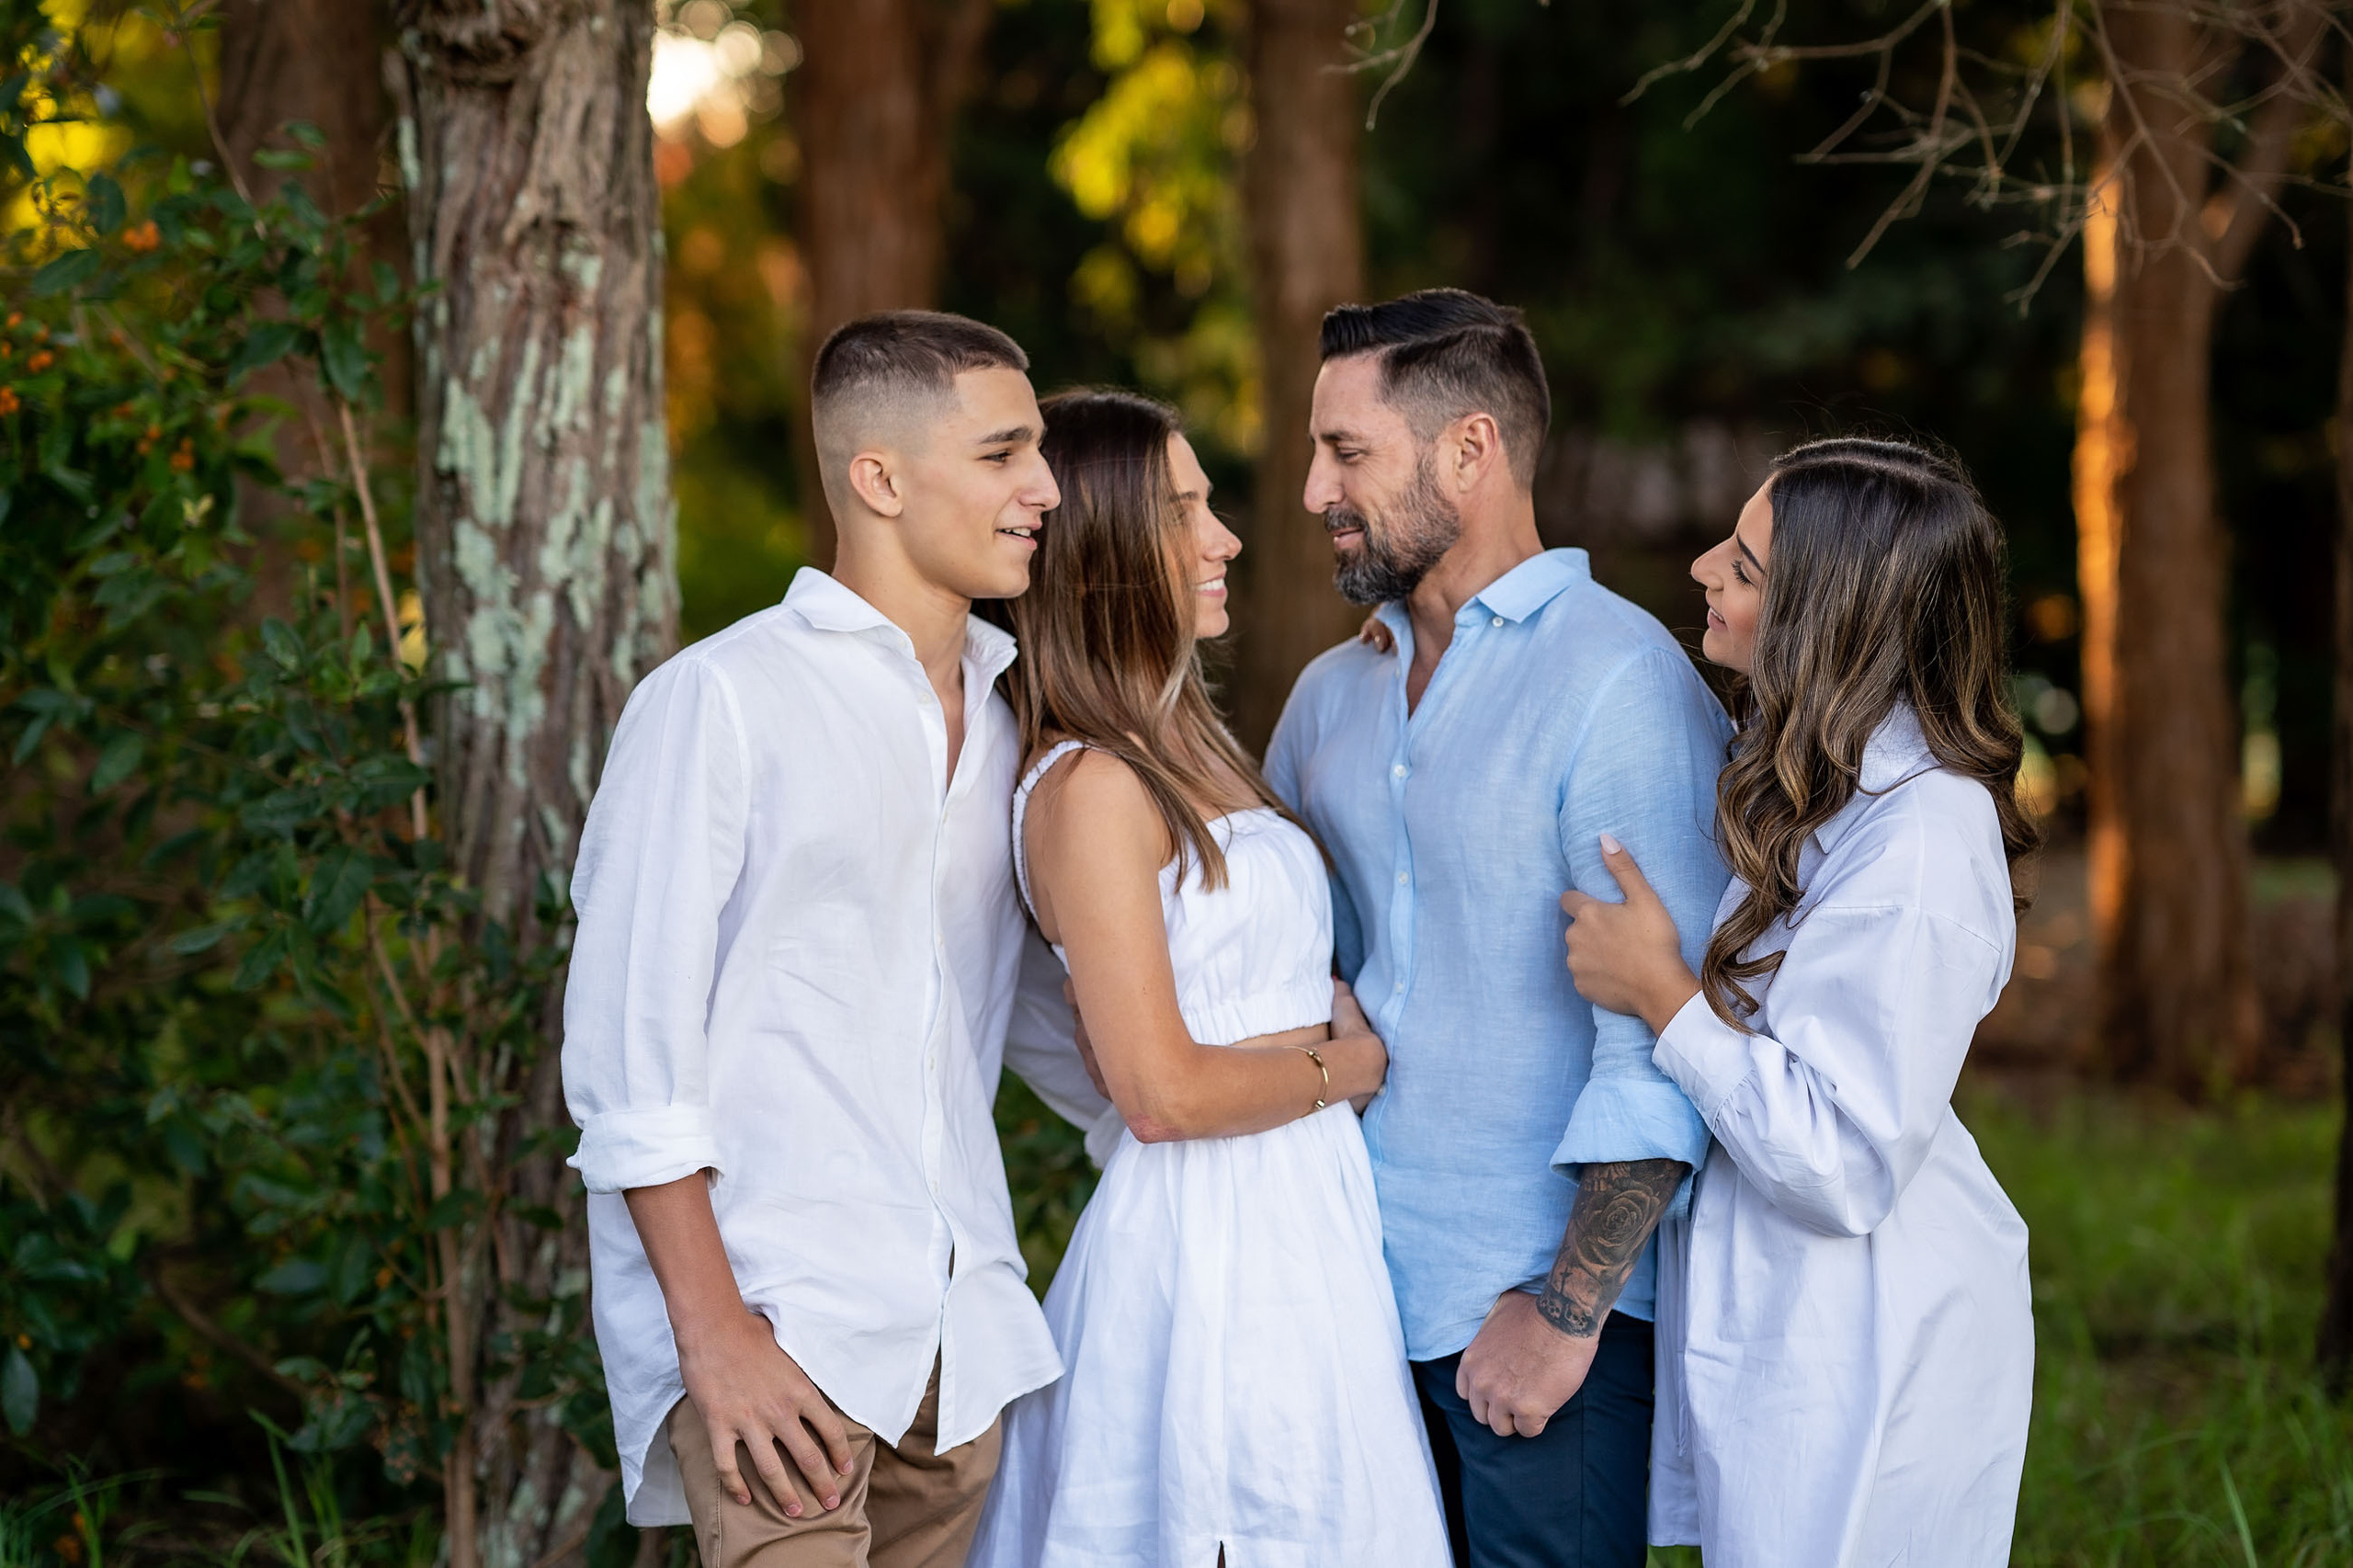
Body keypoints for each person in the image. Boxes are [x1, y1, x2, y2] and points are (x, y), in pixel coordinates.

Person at [561, 311, 1071, 1568]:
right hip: (781, 1330)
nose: (1044, 489)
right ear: (879, 477)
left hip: (957, 1346)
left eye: (1039, 453)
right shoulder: (722, 700)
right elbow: (632, 1064)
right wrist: (716, 1337)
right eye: (1004, 453)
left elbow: (1028, 1023)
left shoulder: (1014, 732)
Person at [1264, 290, 1731, 1568]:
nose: (1314, 489)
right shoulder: (1328, 693)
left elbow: (1666, 1030)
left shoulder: (1620, 683)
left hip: (1534, 1331)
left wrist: (1567, 1312)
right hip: (1346, 1298)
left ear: (1468, 451)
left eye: (1346, 452)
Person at [969, 389, 1451, 1567]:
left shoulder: (1185, 743)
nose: (1225, 536)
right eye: (1185, 509)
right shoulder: (1088, 786)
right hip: (1211, 1251)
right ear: (1104, 553)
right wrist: (1351, 1061)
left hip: (1305, 1226)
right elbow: (1159, 1091)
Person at [1558, 437, 2038, 1567]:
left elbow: (1842, 1154)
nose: (1699, 569)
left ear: (1832, 612)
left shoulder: (1921, 838)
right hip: (1788, 1322)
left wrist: (1662, 994)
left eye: (1744, 562)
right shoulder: (1811, 776)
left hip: (1872, 1338)